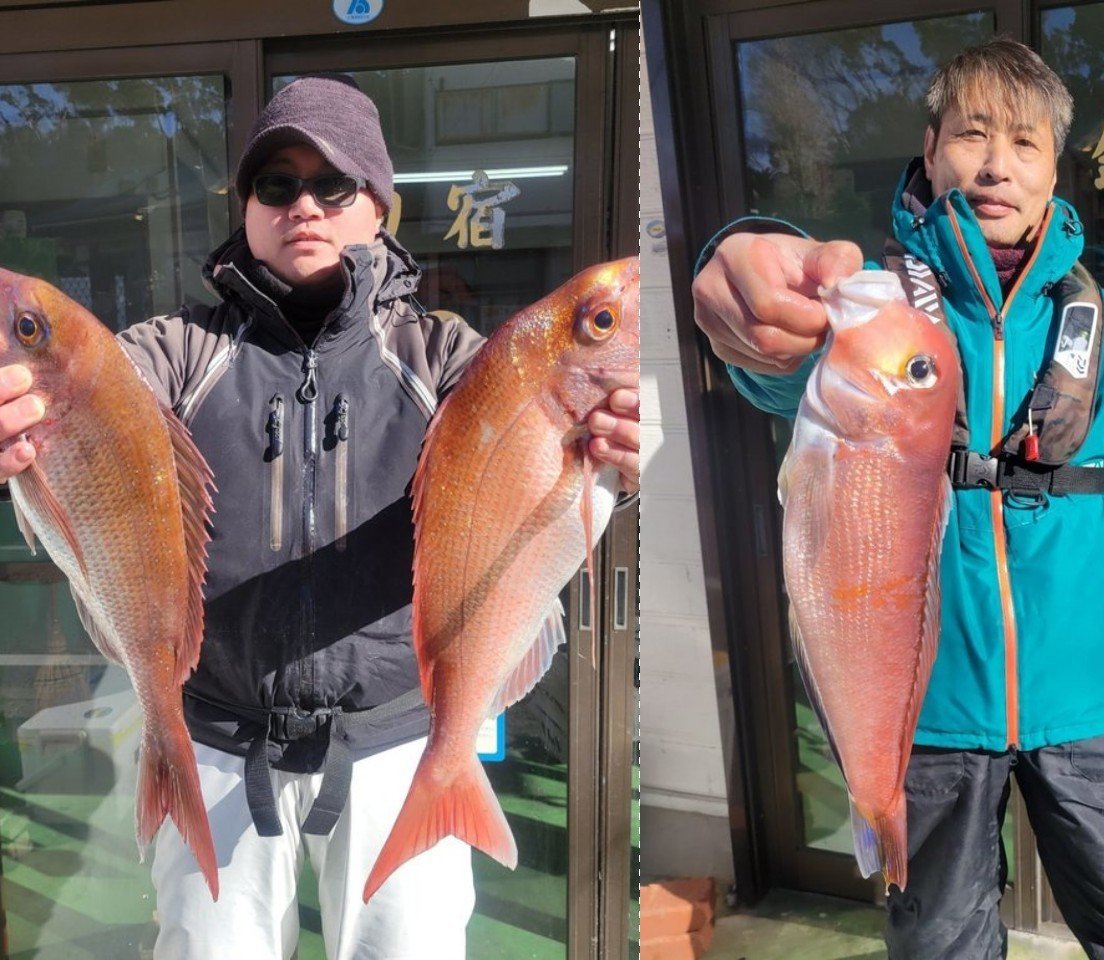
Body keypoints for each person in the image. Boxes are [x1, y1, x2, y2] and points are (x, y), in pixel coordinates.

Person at [0, 74, 639, 960]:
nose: (305, 204)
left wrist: (625, 453)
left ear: (379, 206)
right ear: (248, 207)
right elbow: (97, 417)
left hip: (398, 741)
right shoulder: (173, 353)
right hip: (214, 735)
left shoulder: (450, 357)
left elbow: (534, 480)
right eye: (277, 183)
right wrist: (25, 428)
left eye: (334, 183)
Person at [692, 38, 1104, 960]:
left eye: (1025, 143)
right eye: (971, 134)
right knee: (937, 945)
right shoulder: (876, 304)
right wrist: (739, 282)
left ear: (1055, 170)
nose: (995, 164)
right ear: (931, 148)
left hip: (1101, 698)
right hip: (927, 712)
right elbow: (777, 365)